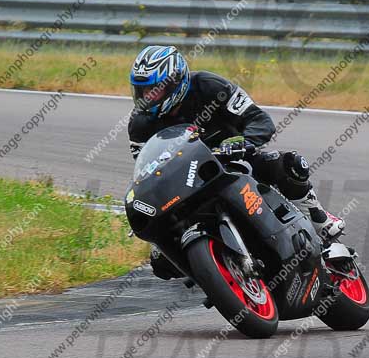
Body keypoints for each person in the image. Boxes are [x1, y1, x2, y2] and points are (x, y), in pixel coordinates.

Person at [127, 45, 345, 278]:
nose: (147, 97)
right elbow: (149, 169)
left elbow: (258, 119)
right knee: (160, 260)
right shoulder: (140, 124)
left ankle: (318, 219)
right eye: (142, 91)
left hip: (235, 158)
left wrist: (243, 142)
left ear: (175, 82)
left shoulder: (209, 86)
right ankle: (218, 274)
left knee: (289, 164)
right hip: (188, 181)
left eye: (154, 90)